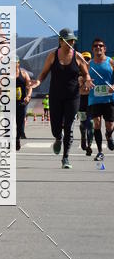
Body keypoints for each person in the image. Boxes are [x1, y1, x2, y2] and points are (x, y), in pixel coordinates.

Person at [32, 28, 91, 169]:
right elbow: (44, 73)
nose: (71, 43)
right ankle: (58, 138)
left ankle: (66, 158)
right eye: (68, 40)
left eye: (72, 41)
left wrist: (87, 79)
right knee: (56, 128)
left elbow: (86, 73)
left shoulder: (77, 56)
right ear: (60, 41)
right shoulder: (53, 56)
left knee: (69, 126)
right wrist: (38, 82)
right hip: (56, 96)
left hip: (72, 97)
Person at [88, 37, 114, 161]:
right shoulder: (89, 64)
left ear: (105, 48)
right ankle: (100, 152)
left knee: (109, 125)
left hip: (109, 99)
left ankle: (109, 136)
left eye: (100, 45)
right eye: (96, 46)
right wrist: (85, 82)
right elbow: (82, 79)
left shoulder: (111, 62)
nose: (98, 47)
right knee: (96, 124)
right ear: (92, 49)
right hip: (94, 99)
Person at [78, 51, 94, 155]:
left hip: (91, 100)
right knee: (83, 124)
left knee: (91, 123)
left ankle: (90, 145)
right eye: (84, 59)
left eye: (88, 59)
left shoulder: (94, 72)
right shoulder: (77, 72)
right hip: (81, 101)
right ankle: (83, 136)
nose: (86, 61)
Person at [15, 59, 33, 150]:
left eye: (14, 62)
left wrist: (28, 96)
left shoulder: (24, 73)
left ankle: (17, 139)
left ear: (18, 63)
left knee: (20, 123)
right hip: (10, 102)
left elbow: (29, 86)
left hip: (22, 102)